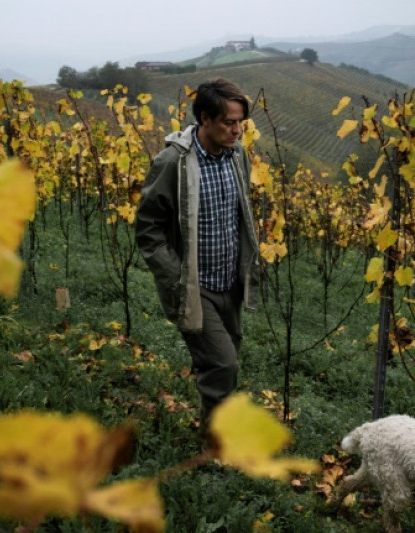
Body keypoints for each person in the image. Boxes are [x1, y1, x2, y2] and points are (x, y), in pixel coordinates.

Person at [135, 78, 259, 438]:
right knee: (223, 363)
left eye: (241, 123)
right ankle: (214, 446)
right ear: (205, 119)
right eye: (229, 122)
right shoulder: (173, 162)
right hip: (194, 285)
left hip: (230, 282)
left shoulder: (237, 156)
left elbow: (239, 214)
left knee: (223, 362)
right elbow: (148, 228)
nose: (237, 130)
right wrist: (174, 274)